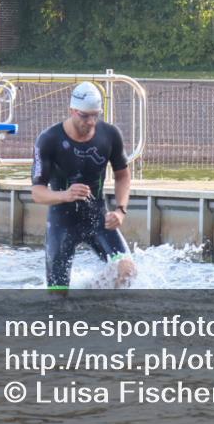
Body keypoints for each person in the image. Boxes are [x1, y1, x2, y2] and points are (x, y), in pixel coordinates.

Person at [31, 82, 136, 290]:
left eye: (95, 115)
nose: (91, 122)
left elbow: (122, 175)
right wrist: (65, 195)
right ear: (72, 111)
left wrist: (121, 210)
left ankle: (99, 308)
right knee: (57, 293)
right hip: (62, 223)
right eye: (85, 116)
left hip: (97, 219)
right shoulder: (49, 139)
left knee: (128, 271)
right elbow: (37, 193)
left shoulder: (109, 135)